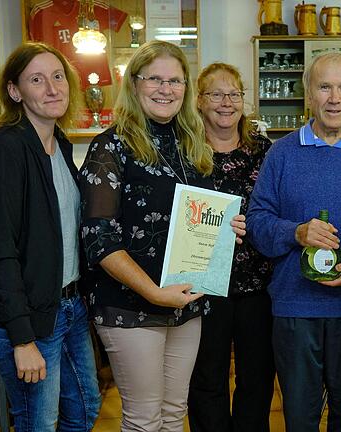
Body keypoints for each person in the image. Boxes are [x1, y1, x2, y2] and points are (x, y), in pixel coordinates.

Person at [78, 41, 246, 431]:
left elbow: (201, 215)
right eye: (155, 79)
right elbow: (99, 239)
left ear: (186, 88)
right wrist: (154, 293)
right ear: (133, 83)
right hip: (130, 305)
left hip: (186, 300)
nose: (165, 89)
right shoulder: (111, 146)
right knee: (143, 419)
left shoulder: (191, 143)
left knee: (174, 413)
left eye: (175, 80)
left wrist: (226, 229)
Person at [247, 52, 341, 431]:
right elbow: (256, 222)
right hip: (295, 306)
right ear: (309, 95)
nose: (335, 97)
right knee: (300, 414)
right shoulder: (281, 153)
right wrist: (296, 232)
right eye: (324, 87)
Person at [0, 42, 101, 431]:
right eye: (37, 80)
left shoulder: (59, 144)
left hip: (67, 307)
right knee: (37, 424)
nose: (52, 88)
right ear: (15, 92)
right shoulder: (5, 151)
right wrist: (22, 340)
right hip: (25, 318)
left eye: (58, 77)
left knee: (84, 410)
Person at [187, 63, 275, 432]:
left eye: (234, 94)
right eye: (216, 94)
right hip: (202, 282)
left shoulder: (266, 151)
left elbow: (278, 209)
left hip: (258, 283)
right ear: (200, 101)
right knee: (207, 379)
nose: (227, 103)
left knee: (256, 378)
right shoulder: (185, 153)